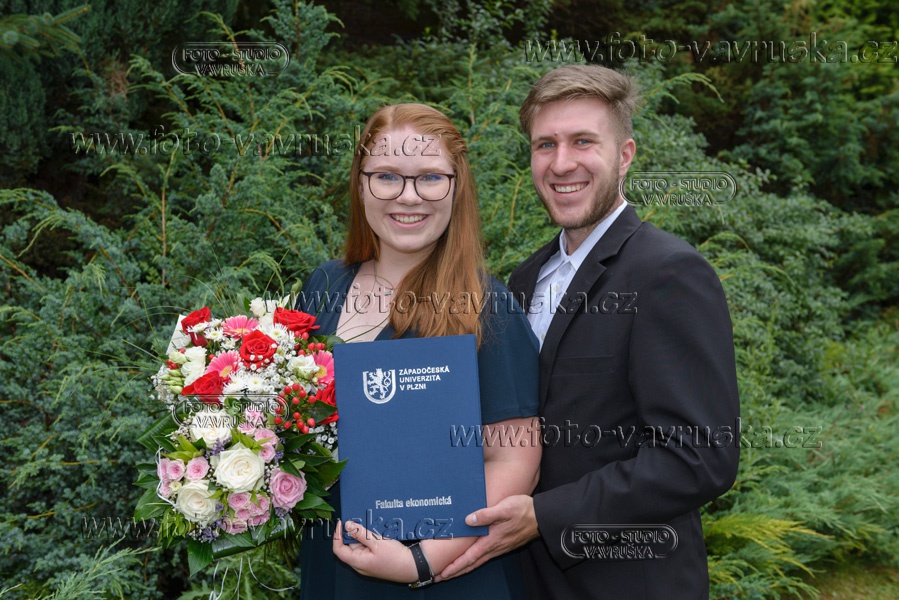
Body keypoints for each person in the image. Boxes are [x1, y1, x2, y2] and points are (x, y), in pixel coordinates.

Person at [437, 65, 741, 598]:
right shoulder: (526, 279)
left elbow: (698, 456)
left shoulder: (668, 273)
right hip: (529, 583)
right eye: (545, 144)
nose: (561, 163)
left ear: (625, 155)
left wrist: (545, 516)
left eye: (583, 141)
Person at [296, 103, 542, 598]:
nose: (408, 196)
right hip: (332, 563)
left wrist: (420, 560)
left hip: (444, 576)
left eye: (430, 178)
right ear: (360, 184)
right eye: (387, 176)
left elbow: (515, 460)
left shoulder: (486, 307)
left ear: (457, 187)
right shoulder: (324, 286)